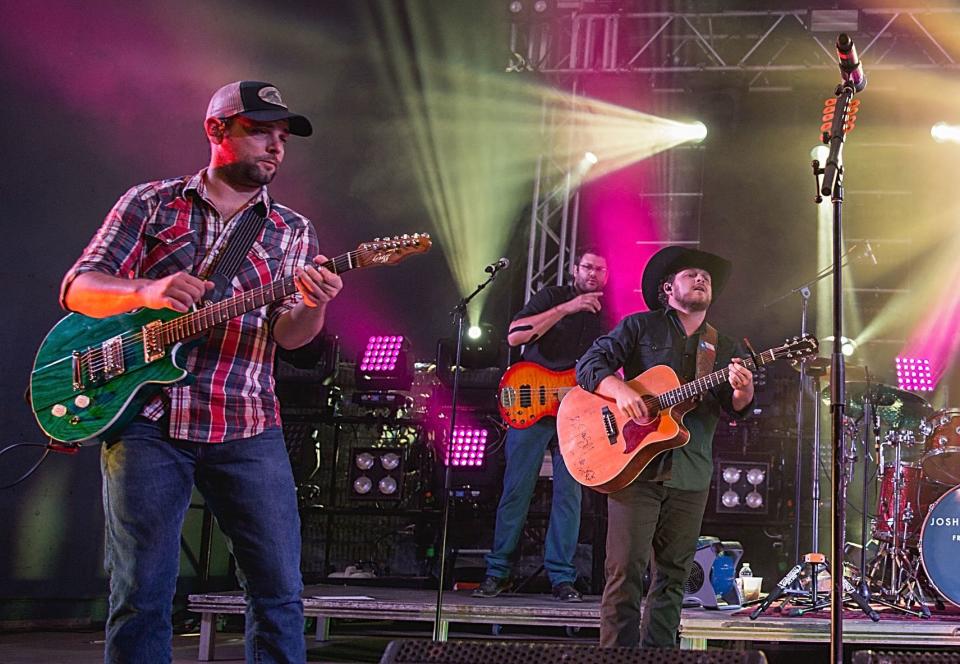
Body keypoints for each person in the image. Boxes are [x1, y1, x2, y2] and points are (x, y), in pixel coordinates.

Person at [60, 81, 342, 664]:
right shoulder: (150, 203)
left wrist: (314, 302)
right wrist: (147, 289)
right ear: (217, 130)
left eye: (283, 137)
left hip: (247, 419)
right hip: (149, 419)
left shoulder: (292, 229)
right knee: (141, 593)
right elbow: (78, 287)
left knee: (279, 593)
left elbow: (290, 338)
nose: (275, 146)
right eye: (261, 130)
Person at [575, 246, 754, 648]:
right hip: (633, 466)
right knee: (624, 573)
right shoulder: (640, 326)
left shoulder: (721, 347)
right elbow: (589, 365)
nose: (701, 278)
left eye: (706, 276)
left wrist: (744, 390)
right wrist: (620, 391)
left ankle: (659, 656)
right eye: (692, 274)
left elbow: (734, 407)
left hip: (690, 472)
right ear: (668, 288)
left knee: (674, 578)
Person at [474, 248, 611, 602]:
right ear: (574, 269)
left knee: (570, 494)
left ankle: (562, 577)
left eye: (600, 269)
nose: (593, 274)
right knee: (516, 489)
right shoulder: (553, 296)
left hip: (577, 412)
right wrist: (568, 308)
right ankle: (498, 571)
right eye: (588, 267)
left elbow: (614, 364)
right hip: (533, 403)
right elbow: (515, 336)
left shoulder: (609, 315)